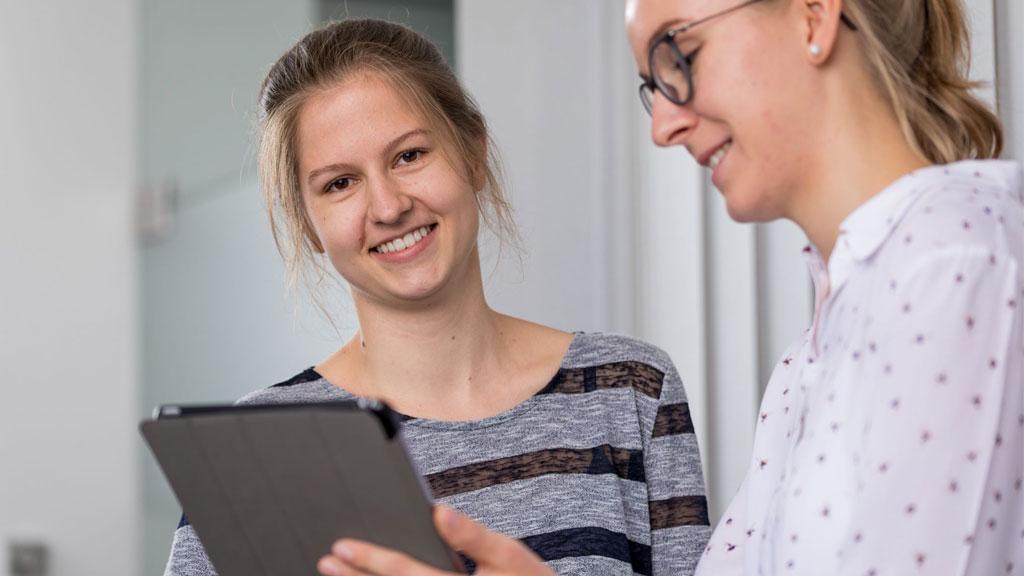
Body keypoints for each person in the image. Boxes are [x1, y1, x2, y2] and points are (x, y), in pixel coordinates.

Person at [318, 0, 1023, 575]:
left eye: (678, 55)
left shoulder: (952, 261)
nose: (661, 126)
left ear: (812, 15)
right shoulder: (820, 344)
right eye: (651, 84)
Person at [163, 18, 712, 576]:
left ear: (472, 150)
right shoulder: (253, 451)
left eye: (409, 156)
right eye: (339, 183)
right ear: (307, 224)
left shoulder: (629, 388)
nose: (387, 206)